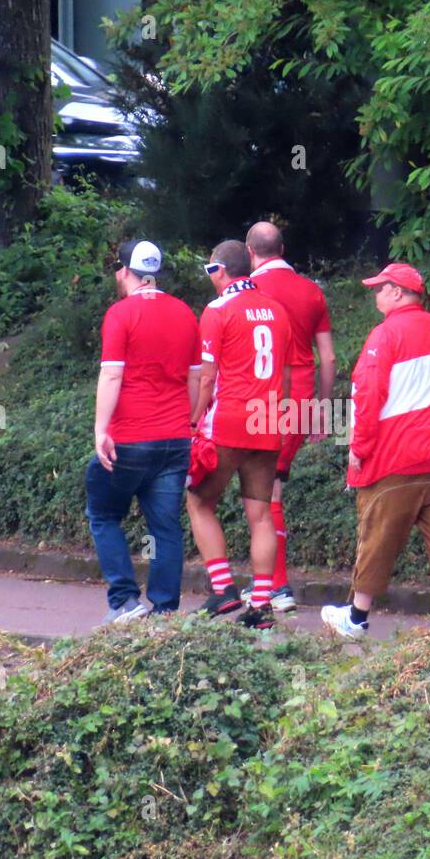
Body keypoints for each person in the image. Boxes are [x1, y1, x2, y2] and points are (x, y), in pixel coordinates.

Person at [321, 263, 430, 639]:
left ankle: (357, 618)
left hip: (396, 459)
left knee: (378, 536)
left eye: (379, 289)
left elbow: (369, 394)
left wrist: (358, 448)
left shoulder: (384, 335)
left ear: (396, 292)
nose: (374, 295)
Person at [86, 239, 201, 623]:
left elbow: (113, 373)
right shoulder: (186, 313)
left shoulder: (120, 314)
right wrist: (191, 421)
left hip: (129, 439)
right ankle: (165, 609)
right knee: (165, 527)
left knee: (103, 515)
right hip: (175, 439)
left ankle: (124, 600)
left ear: (124, 271)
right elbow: (196, 378)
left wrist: (101, 429)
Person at [187, 239, 293, 629]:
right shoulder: (278, 311)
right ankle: (262, 604)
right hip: (268, 420)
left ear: (219, 270)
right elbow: (285, 374)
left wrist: (195, 419)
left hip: (229, 419)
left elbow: (208, 377)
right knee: (261, 514)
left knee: (199, 501)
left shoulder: (217, 310)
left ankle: (223, 590)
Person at [245, 221, 337, 613]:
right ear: (282, 248)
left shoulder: (249, 291)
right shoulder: (312, 291)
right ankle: (272, 583)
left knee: (263, 493)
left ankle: (275, 586)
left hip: (262, 398)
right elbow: (328, 358)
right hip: (301, 396)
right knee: (273, 485)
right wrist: (322, 408)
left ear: (251, 252)